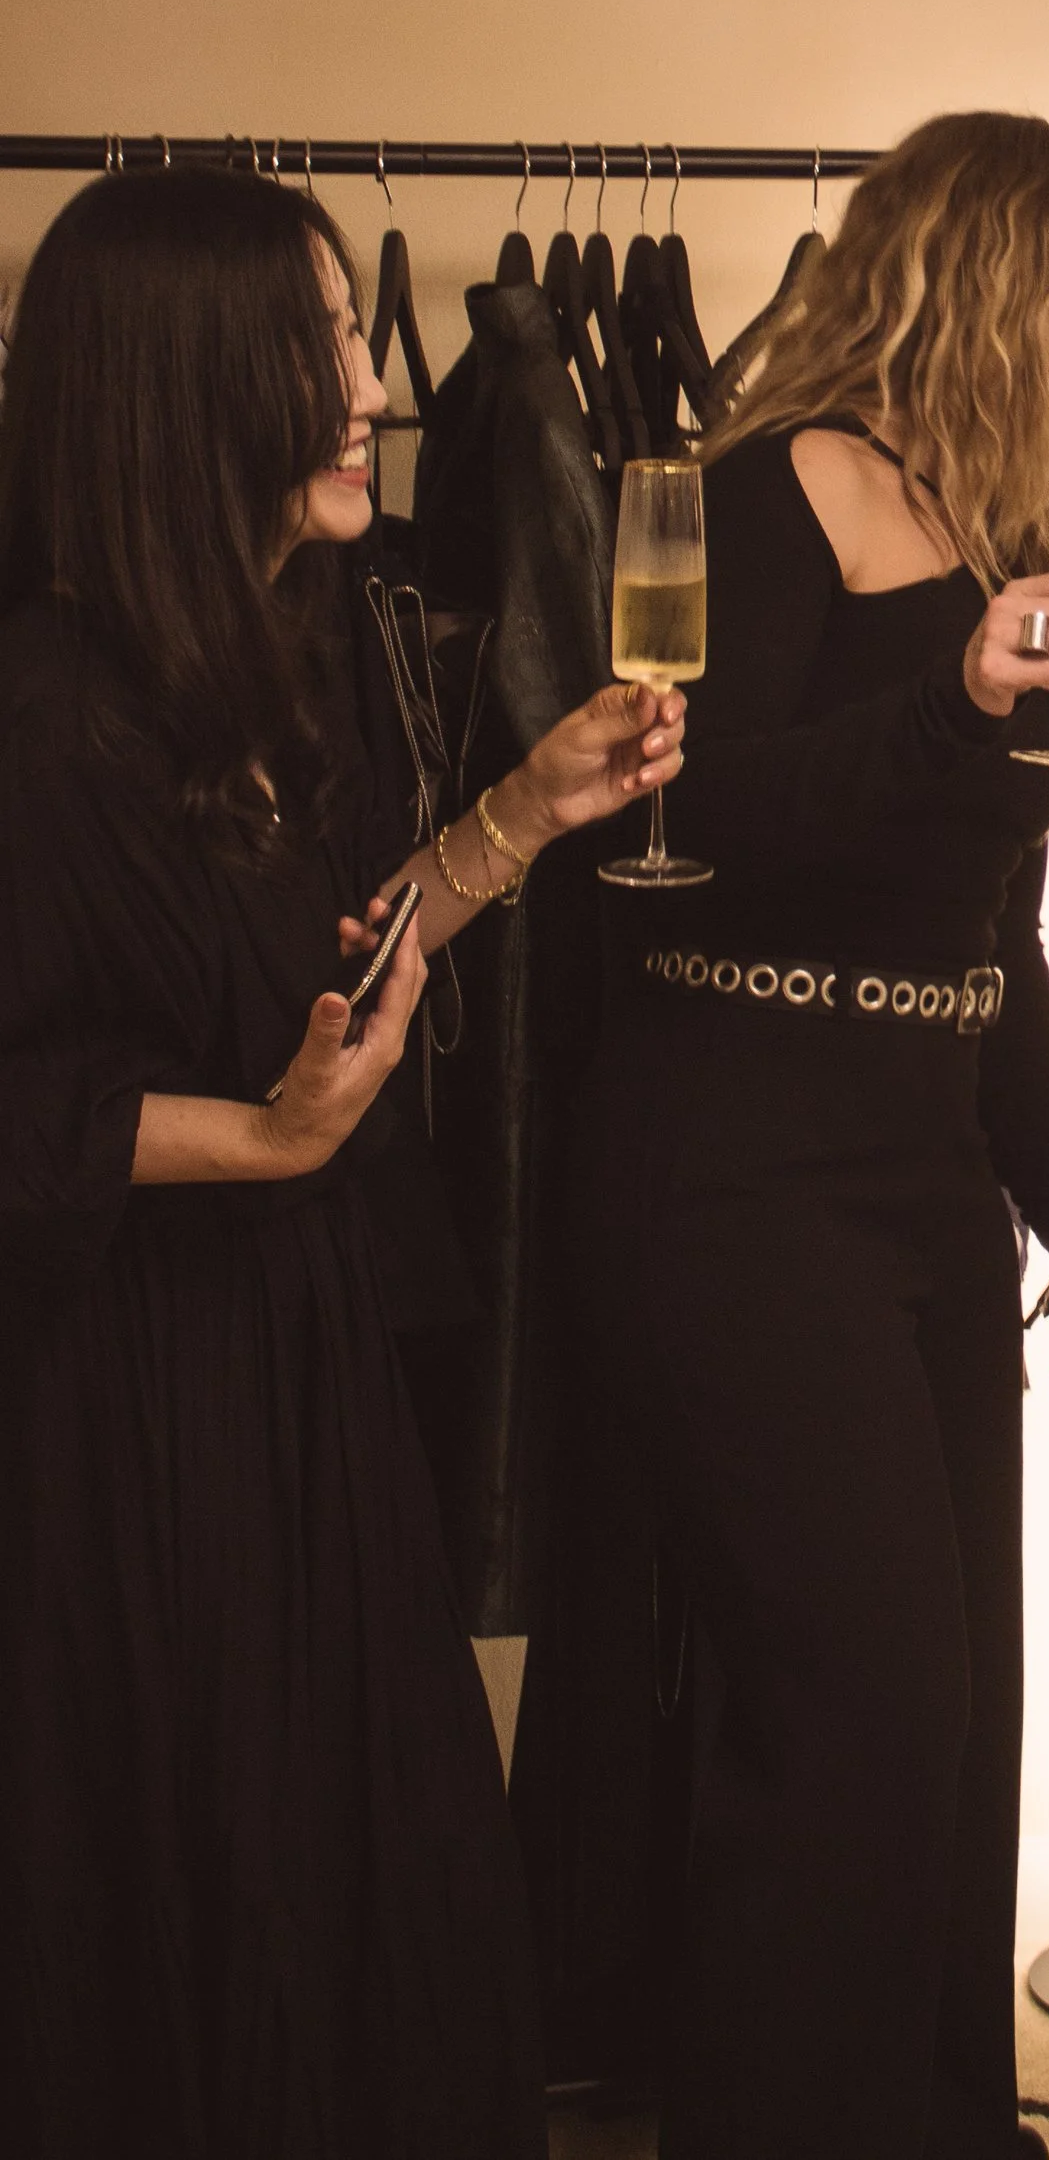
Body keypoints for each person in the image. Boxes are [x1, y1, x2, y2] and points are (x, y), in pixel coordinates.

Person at [0, 167, 684, 2160]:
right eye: (317, 344)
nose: (373, 381)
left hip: (298, 1366)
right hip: (116, 1415)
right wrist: (262, 1136)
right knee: (200, 1881)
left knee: (357, 1868)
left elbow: (319, 969)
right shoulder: (39, 717)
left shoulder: (286, 660)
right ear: (186, 385)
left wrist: (516, 818)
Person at [575, 111, 1049, 2160]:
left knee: (951, 1721)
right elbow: (686, 819)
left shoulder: (1003, 541)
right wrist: (954, 704)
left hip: (913, 1194)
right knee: (847, 1725)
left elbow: (991, 939)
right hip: (735, 1182)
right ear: (994, 268)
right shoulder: (763, 488)